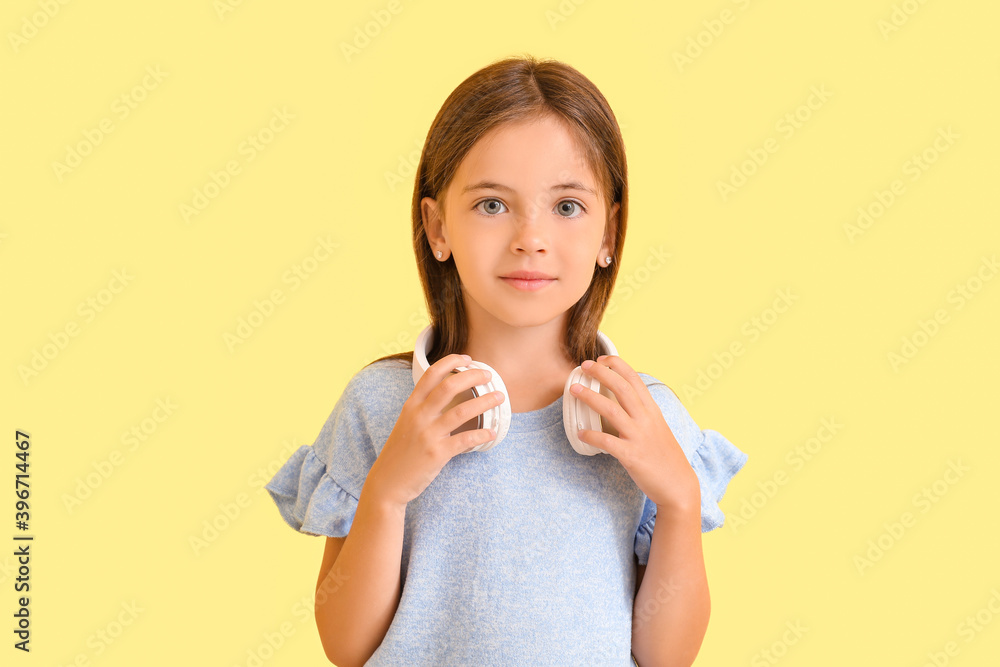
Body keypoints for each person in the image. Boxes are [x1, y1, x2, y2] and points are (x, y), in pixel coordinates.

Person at [265, 53, 749, 666]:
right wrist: (387, 493)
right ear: (437, 227)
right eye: (492, 204)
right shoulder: (381, 406)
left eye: (567, 206)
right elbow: (346, 643)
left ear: (608, 233)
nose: (530, 237)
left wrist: (679, 500)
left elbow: (665, 657)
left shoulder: (642, 418)